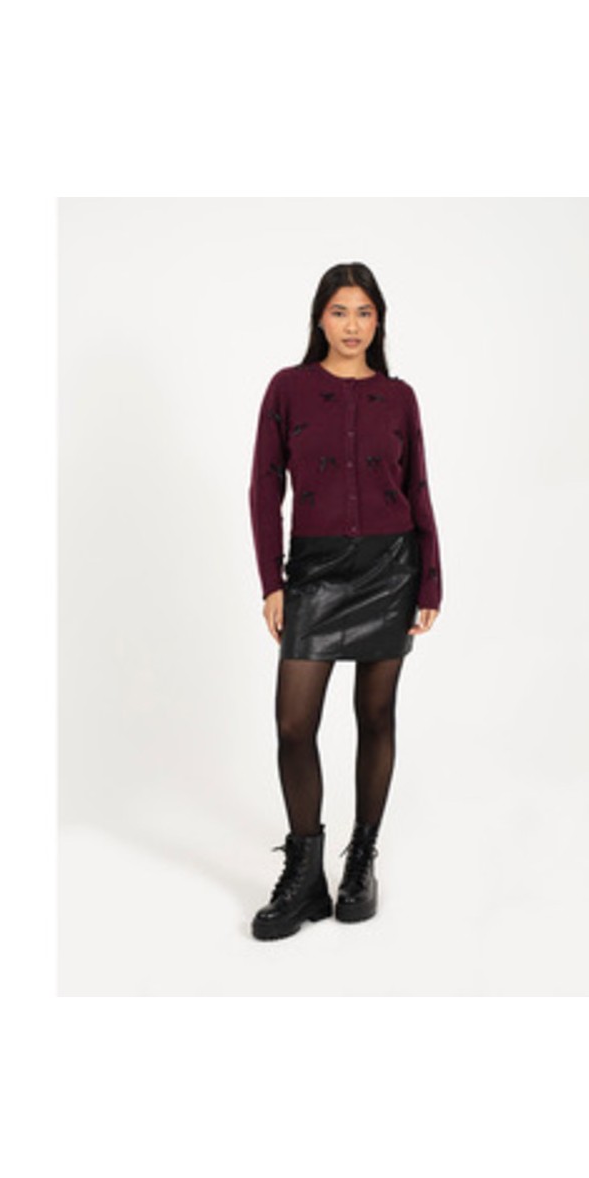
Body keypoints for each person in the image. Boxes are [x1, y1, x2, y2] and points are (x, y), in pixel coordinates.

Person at [247, 262, 443, 940]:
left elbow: (418, 487)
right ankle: (305, 874)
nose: (352, 325)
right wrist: (273, 583)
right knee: (294, 725)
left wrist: (430, 579)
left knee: (375, 714)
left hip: (391, 568)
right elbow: (263, 487)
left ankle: (361, 861)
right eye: (339, 311)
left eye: (364, 312)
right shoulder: (289, 387)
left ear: (379, 320)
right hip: (315, 572)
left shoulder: (399, 396)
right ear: (319, 318)